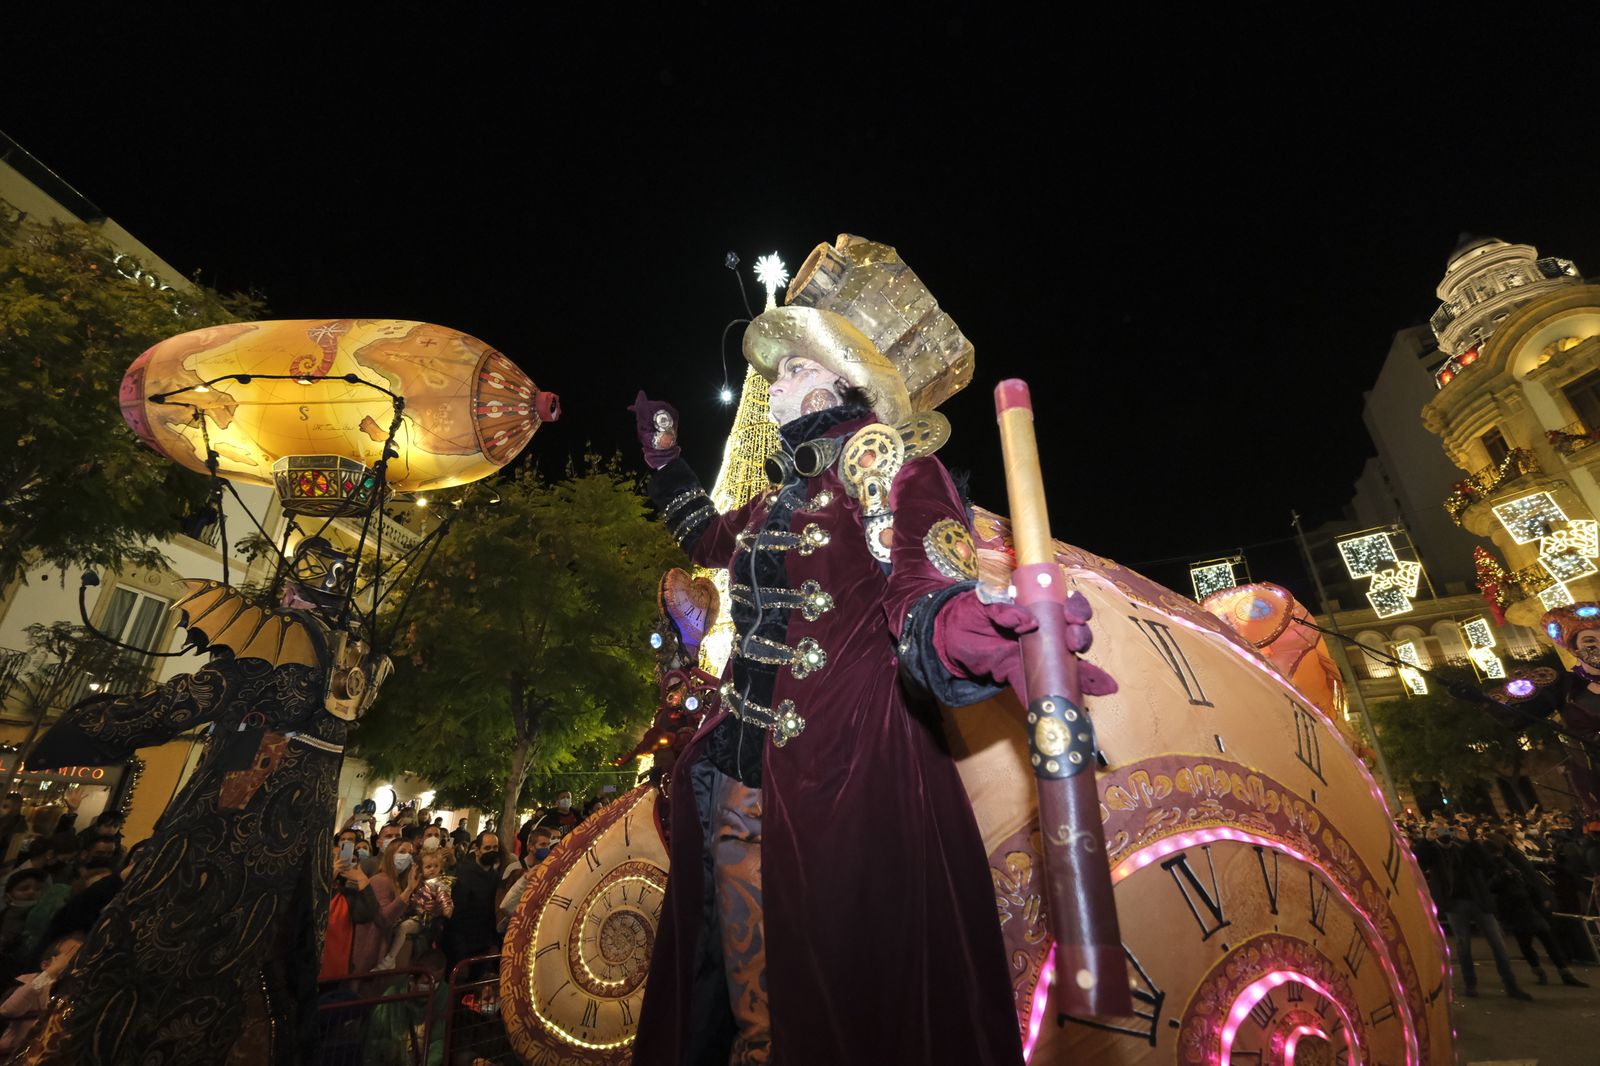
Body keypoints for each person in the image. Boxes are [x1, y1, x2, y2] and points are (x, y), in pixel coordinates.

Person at [623, 305, 1111, 1065]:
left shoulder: (890, 468)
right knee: (751, 998)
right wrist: (667, 459)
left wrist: (962, 630)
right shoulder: (777, 498)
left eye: (795, 368)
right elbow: (707, 539)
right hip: (740, 774)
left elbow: (922, 583)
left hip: (843, 773)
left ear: (840, 384)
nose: (774, 385)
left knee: (844, 1002)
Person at [14, 535, 393, 1066]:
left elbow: (184, 701)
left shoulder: (273, 649)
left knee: (147, 952)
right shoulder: (357, 665)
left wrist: (86, 726)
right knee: (274, 967)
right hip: (296, 854)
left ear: (292, 590)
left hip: (221, 839)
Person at [1416, 821, 1532, 999]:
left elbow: (1486, 864)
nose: (1443, 833)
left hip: (1479, 899)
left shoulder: (1464, 847)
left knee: (1498, 943)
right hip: (1454, 903)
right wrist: (1426, 841)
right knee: (1464, 945)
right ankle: (1470, 983)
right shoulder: (1432, 850)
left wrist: (1469, 842)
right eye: (1437, 830)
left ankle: (1510, 983)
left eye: (1446, 829)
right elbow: (1418, 864)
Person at [1484, 831, 1589, 987]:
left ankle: (1563, 971)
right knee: (1527, 942)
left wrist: (1540, 898)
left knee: (1546, 937)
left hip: (1526, 904)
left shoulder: (1512, 858)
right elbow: (1491, 886)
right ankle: (1540, 970)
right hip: (1511, 907)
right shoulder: (1492, 864)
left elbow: (1530, 879)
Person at [0, 934, 82, 1056]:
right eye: (68, 954)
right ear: (46, 965)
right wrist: (48, 975)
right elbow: (9, 1010)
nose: (73, 960)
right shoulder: (28, 983)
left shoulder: (76, 994)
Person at [443, 832, 501, 966]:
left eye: (495, 848)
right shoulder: (463, 875)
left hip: (484, 944)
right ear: (477, 851)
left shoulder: (496, 877)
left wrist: (493, 943)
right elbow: (456, 919)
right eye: (487, 848)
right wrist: (460, 955)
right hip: (463, 948)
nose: (492, 851)